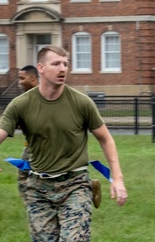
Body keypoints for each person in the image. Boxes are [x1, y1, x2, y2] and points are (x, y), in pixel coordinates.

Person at [0, 46, 126, 242]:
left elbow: (105, 138)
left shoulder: (81, 102)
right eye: (56, 63)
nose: (63, 69)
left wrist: (117, 178)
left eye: (66, 63)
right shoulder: (22, 104)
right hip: (38, 190)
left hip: (74, 184)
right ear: (41, 68)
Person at [16, 65, 101, 209]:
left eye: (22, 78)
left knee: (26, 174)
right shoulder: (24, 99)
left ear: (33, 78)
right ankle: (35, 203)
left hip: (50, 143)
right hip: (35, 144)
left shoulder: (45, 93)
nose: (20, 82)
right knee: (24, 172)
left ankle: (83, 187)